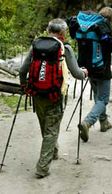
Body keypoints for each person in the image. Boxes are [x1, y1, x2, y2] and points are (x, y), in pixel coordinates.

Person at [19, 18, 88, 178]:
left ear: (48, 30)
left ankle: (53, 152)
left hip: (36, 94)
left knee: (46, 126)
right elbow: (77, 74)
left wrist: (24, 87)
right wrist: (84, 72)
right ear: (63, 33)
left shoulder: (35, 45)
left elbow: (23, 70)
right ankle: (42, 168)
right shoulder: (65, 48)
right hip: (55, 95)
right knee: (51, 130)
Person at [78, 7, 112, 142]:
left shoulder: (87, 32)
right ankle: (87, 122)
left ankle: (104, 122)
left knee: (97, 96)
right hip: (103, 70)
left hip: (88, 69)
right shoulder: (110, 35)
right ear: (111, 19)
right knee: (103, 99)